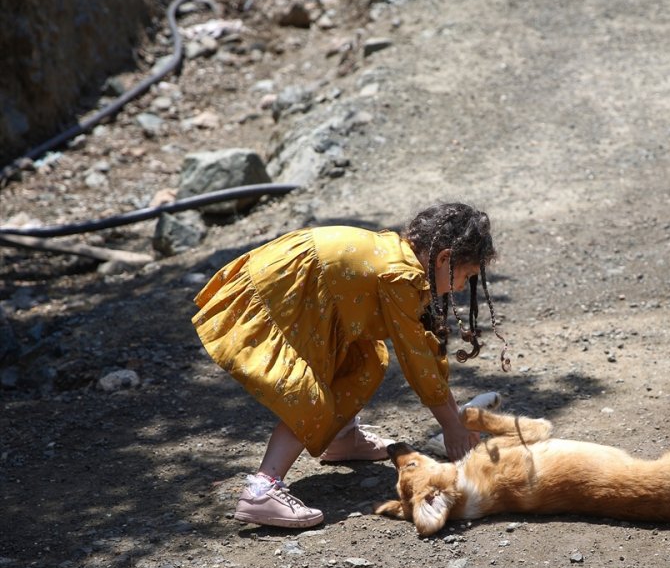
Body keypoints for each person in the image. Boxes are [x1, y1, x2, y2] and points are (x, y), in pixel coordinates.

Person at [191, 202, 510, 528]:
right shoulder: (401, 277)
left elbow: (426, 346)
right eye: (466, 276)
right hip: (287, 293)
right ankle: (262, 489)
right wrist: (452, 426)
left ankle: (342, 438)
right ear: (444, 259)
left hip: (312, 291)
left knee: (365, 360)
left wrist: (453, 417)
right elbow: (417, 359)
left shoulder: (403, 259)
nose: (460, 288)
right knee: (309, 394)